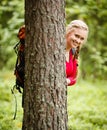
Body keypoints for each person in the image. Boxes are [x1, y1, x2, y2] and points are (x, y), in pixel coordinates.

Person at [66, 20, 89, 86]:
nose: (78, 41)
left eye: (82, 39)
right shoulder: (56, 50)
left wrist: (67, 80)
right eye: (76, 36)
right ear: (68, 32)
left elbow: (74, 77)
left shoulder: (73, 53)